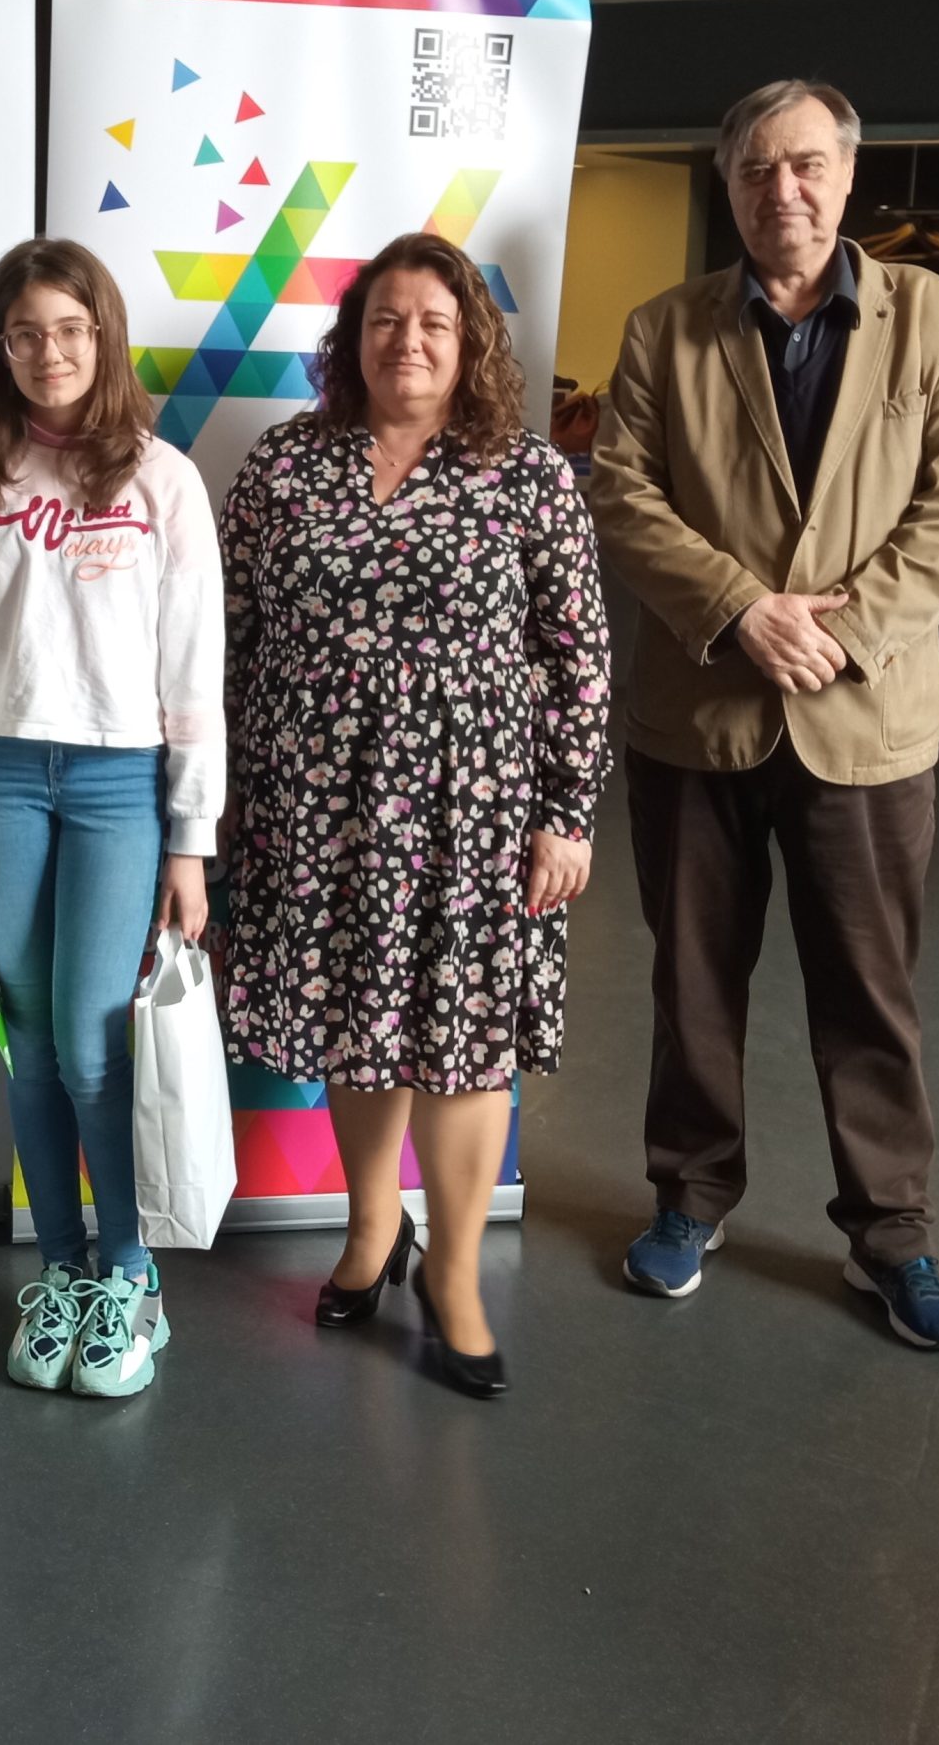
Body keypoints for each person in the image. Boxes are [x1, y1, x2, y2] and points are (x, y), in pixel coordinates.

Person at [590, 79, 939, 1349]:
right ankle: (689, 1198)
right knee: (693, 981)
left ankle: (891, 1236)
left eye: (808, 164)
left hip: (865, 719)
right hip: (696, 716)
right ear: (730, 184)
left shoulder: (938, 321)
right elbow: (620, 492)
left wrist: (840, 629)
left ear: (847, 174)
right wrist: (737, 607)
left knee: (869, 992)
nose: (785, 189)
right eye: (759, 169)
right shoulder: (664, 329)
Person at [218, 232, 611, 1399]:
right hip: (315, 803)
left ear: (470, 341)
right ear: (352, 339)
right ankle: (370, 1229)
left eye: (435, 322)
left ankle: (454, 1277)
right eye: (386, 319)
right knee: (359, 1017)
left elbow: (578, 656)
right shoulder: (285, 465)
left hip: (471, 811)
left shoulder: (526, 474)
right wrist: (222, 792)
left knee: (461, 1034)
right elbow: (229, 634)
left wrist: (566, 812)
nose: (409, 341)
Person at [0, 239, 222, 1401]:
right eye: (26, 333)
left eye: (71, 330)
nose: (50, 353)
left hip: (117, 782)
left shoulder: (160, 480)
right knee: (28, 1039)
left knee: (93, 1042)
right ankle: (61, 1272)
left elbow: (192, 676)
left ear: (104, 337)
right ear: (0, 347)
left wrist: (189, 840)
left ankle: (131, 1277)